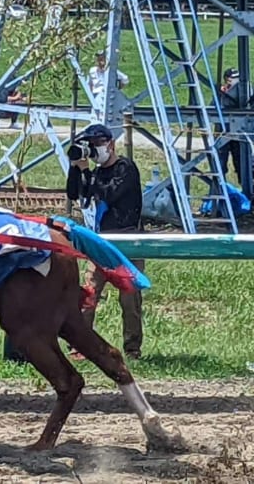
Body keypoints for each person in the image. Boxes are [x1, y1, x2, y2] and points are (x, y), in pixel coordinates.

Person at [66, 122, 145, 360]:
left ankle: (132, 349)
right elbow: (73, 193)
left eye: (98, 144)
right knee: (88, 294)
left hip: (128, 238)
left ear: (110, 144)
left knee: (129, 298)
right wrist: (76, 169)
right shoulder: (97, 173)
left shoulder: (126, 168)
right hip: (102, 240)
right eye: (90, 145)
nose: (94, 149)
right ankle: (80, 345)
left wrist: (88, 173)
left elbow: (109, 193)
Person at [88, 51, 129, 118]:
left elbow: (125, 79)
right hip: (96, 95)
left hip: (107, 95)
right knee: (96, 116)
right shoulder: (92, 70)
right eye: (98, 59)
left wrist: (118, 89)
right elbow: (90, 83)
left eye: (102, 58)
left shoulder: (111, 71)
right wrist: (91, 95)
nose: (100, 61)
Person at [218, 68, 243, 179]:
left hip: (239, 131)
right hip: (223, 131)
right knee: (220, 162)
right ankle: (219, 190)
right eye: (232, 78)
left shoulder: (243, 92)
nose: (234, 81)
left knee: (241, 162)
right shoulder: (220, 93)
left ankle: (246, 190)